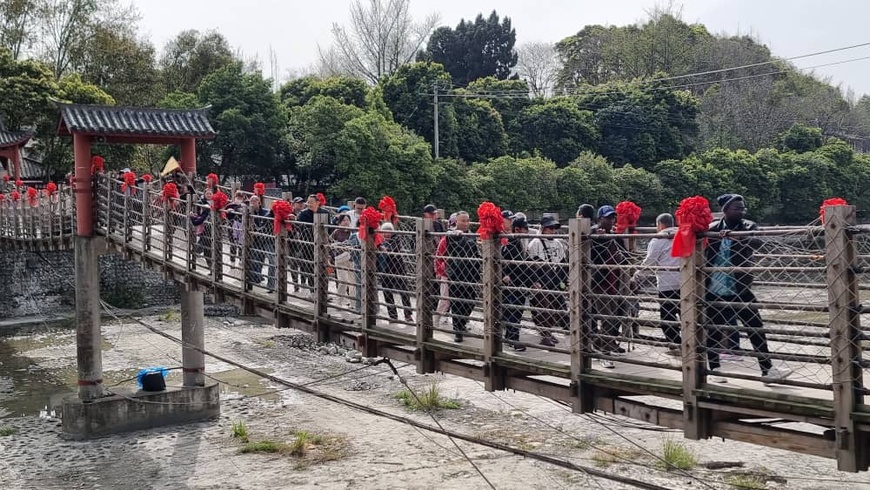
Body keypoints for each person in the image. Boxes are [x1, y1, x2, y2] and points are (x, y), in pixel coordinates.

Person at [705, 194, 791, 384]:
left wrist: (735, 237)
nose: (741, 211)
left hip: (739, 287)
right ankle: (714, 369)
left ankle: (767, 370)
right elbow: (699, 245)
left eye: (743, 208)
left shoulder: (748, 226)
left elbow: (757, 241)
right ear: (725, 210)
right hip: (714, 287)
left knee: (755, 328)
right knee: (714, 330)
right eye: (737, 208)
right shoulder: (712, 229)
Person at [631, 213, 681, 355]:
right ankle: (692, 344)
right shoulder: (683, 234)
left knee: (668, 316)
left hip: (667, 284)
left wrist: (636, 276)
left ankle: (676, 345)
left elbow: (650, 262)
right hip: (686, 281)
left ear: (659, 225)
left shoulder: (658, 239)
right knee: (688, 315)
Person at [590, 205, 628, 368]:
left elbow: (625, 256)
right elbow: (589, 254)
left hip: (616, 282)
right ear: (599, 219)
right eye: (608, 218)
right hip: (600, 282)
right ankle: (604, 352)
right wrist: (598, 238)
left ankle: (598, 343)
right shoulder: (593, 234)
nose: (611, 220)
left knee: (618, 315)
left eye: (613, 218)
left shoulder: (615, 236)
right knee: (608, 318)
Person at [435, 211, 480, 342]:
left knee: (470, 301)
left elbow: (475, 252)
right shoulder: (451, 235)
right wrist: (440, 270)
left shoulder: (472, 235)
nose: (466, 223)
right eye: (462, 221)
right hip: (455, 274)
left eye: (467, 220)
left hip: (470, 274)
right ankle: (458, 330)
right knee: (457, 303)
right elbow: (449, 235)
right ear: (456, 222)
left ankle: (461, 323)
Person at [527, 216, 568, 347]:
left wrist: (563, 281)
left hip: (555, 278)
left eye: (554, 228)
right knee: (543, 308)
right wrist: (534, 281)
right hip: (541, 279)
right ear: (543, 228)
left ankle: (547, 332)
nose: (552, 231)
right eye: (550, 228)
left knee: (555, 308)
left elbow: (563, 263)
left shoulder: (558, 243)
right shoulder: (535, 243)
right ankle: (545, 335)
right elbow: (531, 265)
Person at [501, 218, 535, 351]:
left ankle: (511, 337)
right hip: (513, 285)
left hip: (519, 284)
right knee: (513, 312)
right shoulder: (511, 246)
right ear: (517, 230)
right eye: (525, 229)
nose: (527, 231)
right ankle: (513, 339)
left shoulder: (518, 245)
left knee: (515, 312)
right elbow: (504, 265)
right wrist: (505, 275)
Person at [378, 222, 414, 323]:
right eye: (384, 231)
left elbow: (394, 249)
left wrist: (384, 249)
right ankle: (392, 316)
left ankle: (408, 314)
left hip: (399, 269)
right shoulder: (379, 240)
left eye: (389, 231)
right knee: (387, 292)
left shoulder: (396, 239)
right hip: (385, 270)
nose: (387, 234)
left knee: (404, 292)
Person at [296, 194, 330, 295]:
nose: (309, 204)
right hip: (308, 244)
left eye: (311, 202)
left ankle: (324, 291)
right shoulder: (303, 213)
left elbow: (330, 227)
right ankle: (313, 290)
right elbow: (300, 227)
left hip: (322, 244)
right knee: (311, 267)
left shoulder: (325, 212)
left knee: (323, 267)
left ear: (318, 203)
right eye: (308, 202)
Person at [246, 195, 274, 291]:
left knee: (270, 261)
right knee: (255, 260)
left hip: (265, 240)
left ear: (259, 202)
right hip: (254, 240)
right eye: (251, 201)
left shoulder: (266, 212)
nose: (253, 203)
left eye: (255, 201)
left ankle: (271, 284)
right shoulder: (247, 211)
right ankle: (256, 279)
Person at [331, 213, 355, 306]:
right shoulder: (336, 232)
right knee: (343, 280)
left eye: (347, 220)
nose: (346, 222)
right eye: (344, 220)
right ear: (339, 222)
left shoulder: (353, 231)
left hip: (351, 258)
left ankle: (353, 303)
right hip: (340, 259)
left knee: (353, 281)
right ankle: (339, 302)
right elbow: (331, 244)